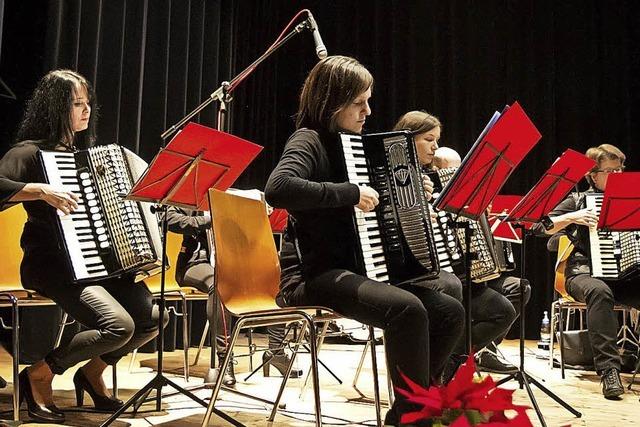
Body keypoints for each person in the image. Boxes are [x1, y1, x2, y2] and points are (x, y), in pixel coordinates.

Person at [265, 56, 464, 425]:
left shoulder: (354, 147)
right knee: (407, 310)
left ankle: (414, 407)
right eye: (359, 103)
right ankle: (414, 416)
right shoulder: (308, 139)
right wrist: (350, 192)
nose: (367, 112)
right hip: (312, 276)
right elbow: (278, 188)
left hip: (355, 269)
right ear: (332, 102)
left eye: (367, 101)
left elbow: (377, 206)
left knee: (450, 311)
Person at [0, 70, 168, 423]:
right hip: (53, 266)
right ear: (56, 107)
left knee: (153, 317)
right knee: (118, 325)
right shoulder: (28, 152)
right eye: (77, 103)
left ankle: (90, 374)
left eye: (88, 103)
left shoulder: (85, 157)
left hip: (100, 266)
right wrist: (41, 190)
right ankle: (39, 374)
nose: (86, 110)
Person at [393, 110, 532, 375]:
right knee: (458, 301)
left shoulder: (429, 179)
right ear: (408, 139)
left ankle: (450, 363)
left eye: (437, 140)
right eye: (429, 139)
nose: (435, 147)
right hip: (422, 275)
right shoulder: (402, 177)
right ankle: (442, 370)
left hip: (455, 273)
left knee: (503, 309)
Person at [532, 143, 640, 399]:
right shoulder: (578, 200)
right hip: (583, 272)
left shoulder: (633, 198)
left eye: (620, 170)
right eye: (610, 171)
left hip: (625, 274)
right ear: (592, 174)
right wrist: (573, 217)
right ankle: (609, 371)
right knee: (600, 292)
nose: (618, 176)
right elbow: (539, 227)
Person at [164, 207, 302, 386]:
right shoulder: (194, 193)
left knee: (276, 277)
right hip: (198, 263)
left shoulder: (231, 194)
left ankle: (276, 351)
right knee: (219, 284)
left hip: (236, 260)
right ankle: (224, 359)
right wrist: (209, 221)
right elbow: (169, 218)